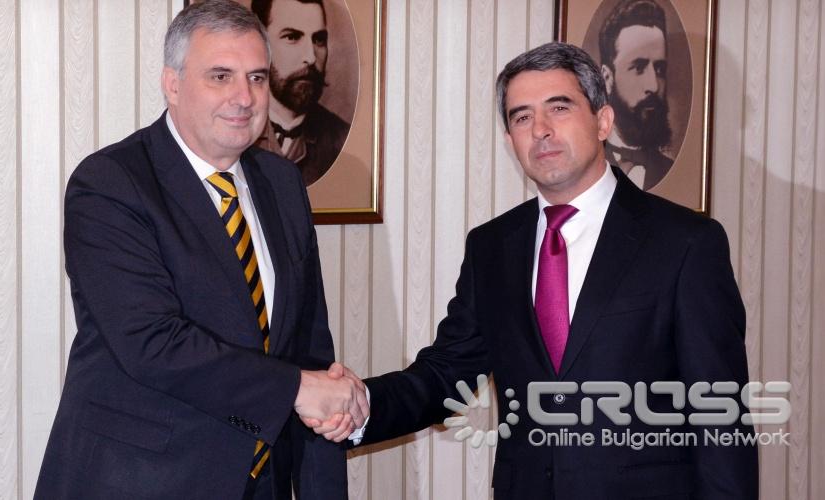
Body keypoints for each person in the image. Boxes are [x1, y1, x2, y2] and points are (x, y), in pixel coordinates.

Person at [311, 42, 758, 498]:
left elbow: (720, 416)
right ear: (510, 141)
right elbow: (447, 373)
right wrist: (360, 406)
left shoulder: (685, 243)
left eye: (559, 108)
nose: (540, 130)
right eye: (522, 117)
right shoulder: (492, 247)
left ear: (603, 121)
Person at [34, 2, 366, 499]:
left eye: (257, 77)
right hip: (138, 483)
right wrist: (298, 388)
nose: (244, 97)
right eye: (220, 76)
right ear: (172, 84)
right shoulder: (110, 183)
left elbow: (310, 348)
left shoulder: (282, 183)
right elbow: (152, 342)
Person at [251, 0, 351, 186]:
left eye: (319, 40)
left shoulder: (342, 139)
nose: (311, 57)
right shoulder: (228, 131)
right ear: (261, 44)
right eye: (292, 37)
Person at [599, 0, 674, 190]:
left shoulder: (670, 170)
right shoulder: (580, 169)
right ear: (607, 78)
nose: (653, 86)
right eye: (639, 68)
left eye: (659, 69)